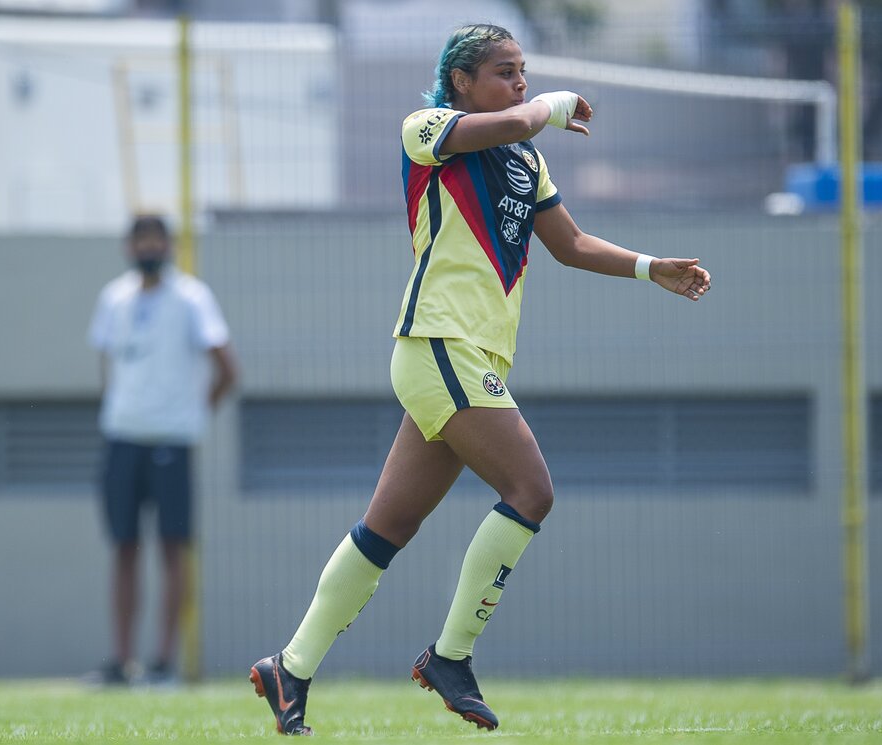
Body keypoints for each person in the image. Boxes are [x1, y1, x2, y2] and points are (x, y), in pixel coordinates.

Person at [249, 23, 710, 734]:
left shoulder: (525, 160)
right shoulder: (428, 128)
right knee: (531, 489)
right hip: (438, 343)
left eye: (524, 71)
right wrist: (549, 104)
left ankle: (292, 666)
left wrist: (655, 269)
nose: (519, 83)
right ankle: (450, 656)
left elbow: (572, 244)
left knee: (387, 526)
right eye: (504, 70)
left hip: (474, 360)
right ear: (461, 80)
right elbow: (523, 118)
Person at [87, 214, 237, 685]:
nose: (148, 246)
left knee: (173, 549)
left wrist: (191, 416)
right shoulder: (113, 298)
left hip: (171, 440)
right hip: (122, 439)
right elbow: (109, 365)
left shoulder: (192, 298)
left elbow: (227, 370)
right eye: (140, 239)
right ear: (128, 246)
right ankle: (122, 660)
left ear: (168, 245)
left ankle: (163, 663)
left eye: (156, 238)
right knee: (123, 548)